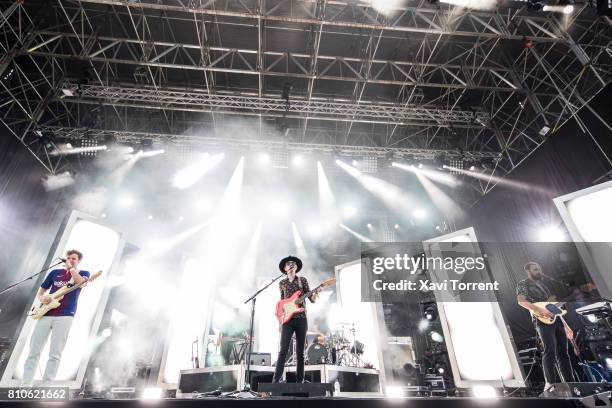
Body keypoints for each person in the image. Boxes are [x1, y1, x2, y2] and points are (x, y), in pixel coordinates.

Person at [22, 249, 90, 385]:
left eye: (74, 258)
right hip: (45, 314)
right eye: (69, 258)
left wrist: (71, 269)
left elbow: (80, 283)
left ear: (78, 261)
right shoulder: (55, 273)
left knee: (55, 353)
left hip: (65, 316)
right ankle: (25, 385)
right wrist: (42, 299)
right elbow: (41, 291)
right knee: (34, 351)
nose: (70, 260)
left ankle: (46, 385)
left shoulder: (83, 273)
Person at [516, 261, 575, 390]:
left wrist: (566, 326)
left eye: (539, 269)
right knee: (550, 350)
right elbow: (521, 301)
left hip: (556, 319)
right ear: (528, 271)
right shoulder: (523, 284)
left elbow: (553, 307)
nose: (539, 271)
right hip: (541, 319)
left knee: (563, 352)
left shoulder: (544, 286)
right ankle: (550, 384)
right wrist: (540, 310)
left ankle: (570, 383)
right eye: (535, 269)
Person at [273, 255, 319, 383]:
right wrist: (280, 322)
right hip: (287, 321)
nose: (291, 264)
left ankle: (300, 381)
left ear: (296, 267)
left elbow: (312, 300)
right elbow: (282, 303)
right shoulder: (282, 283)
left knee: (300, 352)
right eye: (289, 263)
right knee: (282, 351)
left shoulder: (302, 280)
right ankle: (275, 381)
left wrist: (315, 294)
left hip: (301, 319)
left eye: (294, 263)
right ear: (285, 268)